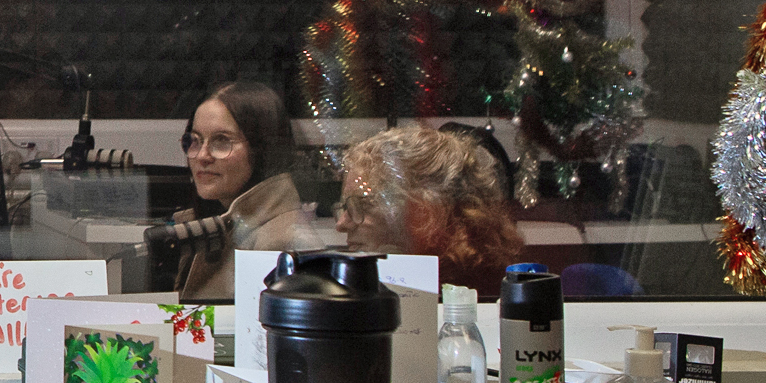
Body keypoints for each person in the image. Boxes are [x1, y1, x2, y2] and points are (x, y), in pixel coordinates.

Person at [153, 80, 336, 301]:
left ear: (263, 149)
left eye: (222, 141)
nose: (202, 156)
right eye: (194, 140)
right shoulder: (216, 226)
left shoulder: (288, 244)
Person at [335, 123, 527, 296]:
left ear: (425, 212)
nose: (341, 224)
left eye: (363, 205)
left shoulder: (480, 299)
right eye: (346, 207)